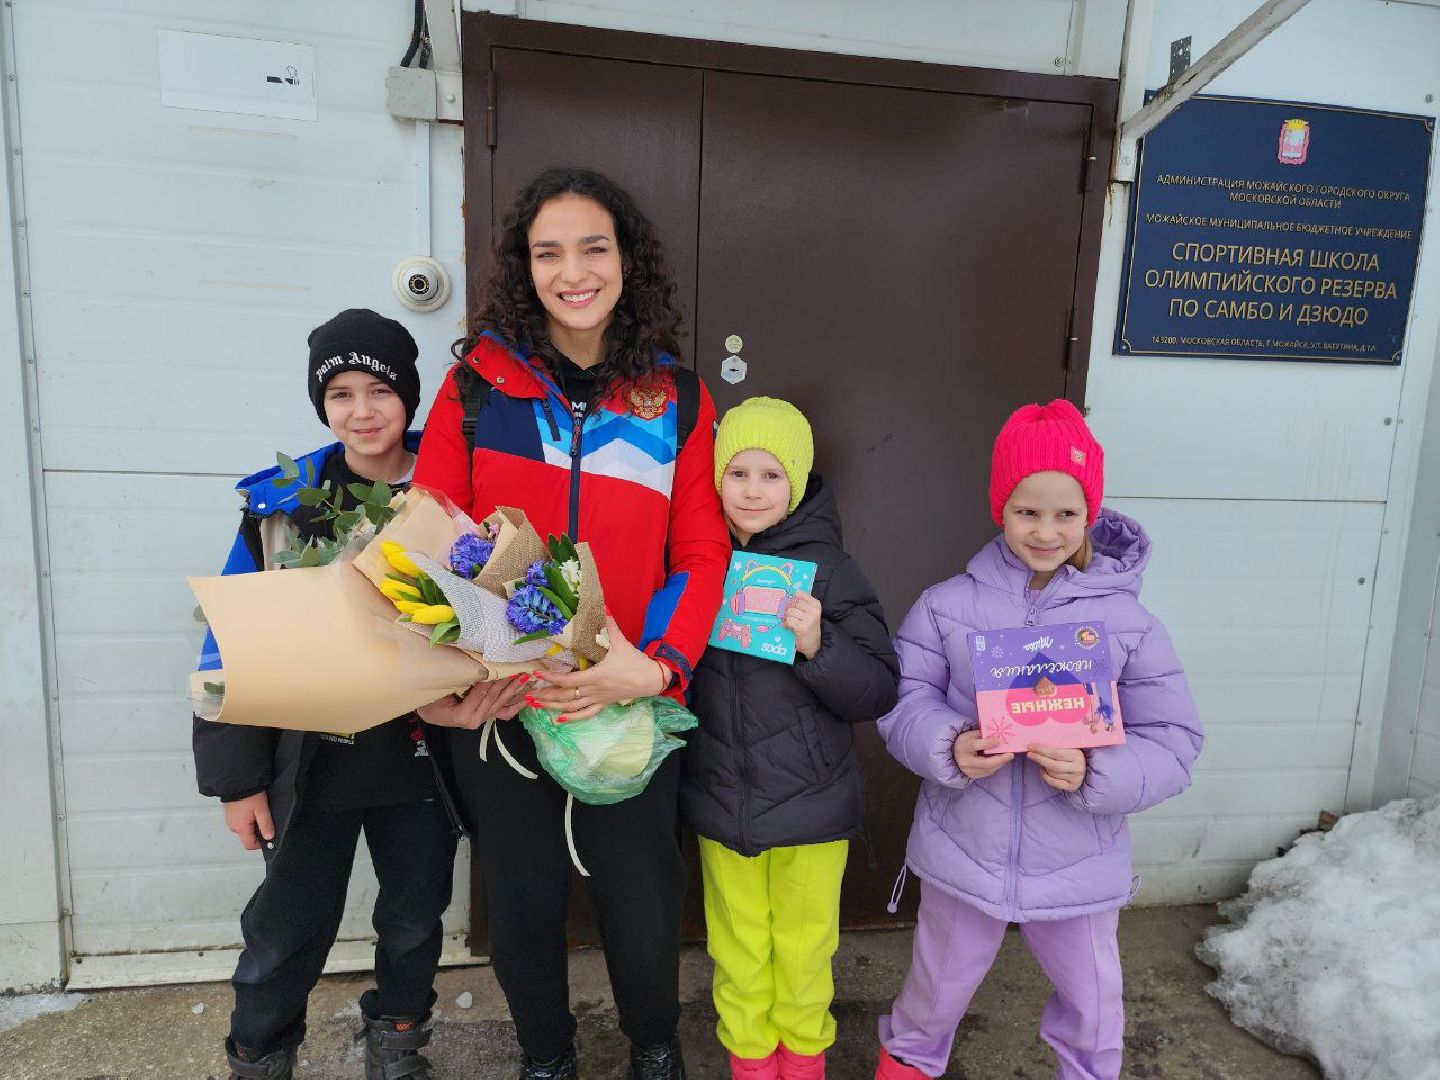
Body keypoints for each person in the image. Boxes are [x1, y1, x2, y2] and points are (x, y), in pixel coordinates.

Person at [412, 167, 730, 1080]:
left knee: (643, 897)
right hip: (509, 700)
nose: (573, 272)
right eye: (548, 252)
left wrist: (657, 668)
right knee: (520, 903)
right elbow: (425, 541)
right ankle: (546, 1057)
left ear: (627, 260)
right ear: (526, 267)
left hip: (625, 698)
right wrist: (440, 688)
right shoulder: (476, 390)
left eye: (594, 248)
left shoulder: (678, 399)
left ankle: (655, 1050)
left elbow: (700, 551)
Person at [872, 399, 1203, 1080]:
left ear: (1089, 513)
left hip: (1080, 861)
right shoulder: (946, 605)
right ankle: (907, 1064)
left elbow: (1173, 739)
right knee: (931, 997)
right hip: (964, 849)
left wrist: (1096, 772)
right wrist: (948, 745)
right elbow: (902, 701)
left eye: (1066, 513)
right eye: (1027, 511)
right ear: (1001, 507)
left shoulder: (1129, 622)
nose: (1046, 532)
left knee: (1094, 1009)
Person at [193, 308, 470, 1080]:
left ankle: (398, 1043)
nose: (362, 411)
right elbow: (229, 647)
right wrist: (237, 780)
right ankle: (259, 1054)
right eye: (340, 394)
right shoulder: (282, 505)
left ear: (409, 397)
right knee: (285, 930)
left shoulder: (450, 493)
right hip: (308, 772)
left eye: (380, 390)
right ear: (322, 405)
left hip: (420, 768)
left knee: (413, 922)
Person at [681, 397, 899, 1079]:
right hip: (722, 799)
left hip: (812, 805)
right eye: (738, 472)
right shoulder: (697, 560)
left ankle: (804, 1060)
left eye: (771, 475)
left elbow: (878, 689)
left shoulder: (831, 571)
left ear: (797, 482)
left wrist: (818, 643)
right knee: (737, 946)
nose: (752, 490)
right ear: (716, 477)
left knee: (805, 948)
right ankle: (750, 1060)